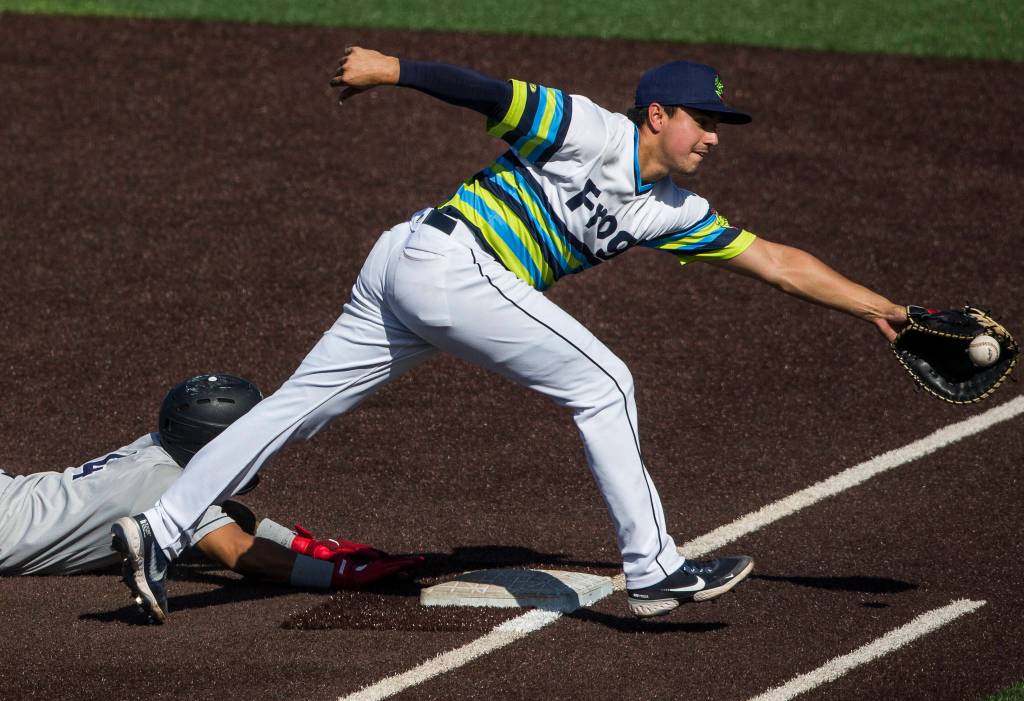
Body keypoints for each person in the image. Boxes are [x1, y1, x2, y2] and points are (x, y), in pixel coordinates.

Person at [112, 49, 908, 622]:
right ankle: (656, 569)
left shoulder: (674, 213)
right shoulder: (590, 129)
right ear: (657, 114)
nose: (714, 136)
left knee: (294, 406)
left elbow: (776, 263)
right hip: (445, 264)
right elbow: (488, 93)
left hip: (418, 265)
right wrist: (393, 71)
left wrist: (889, 309)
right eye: (703, 119)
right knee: (605, 382)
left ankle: (161, 530)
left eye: (720, 123)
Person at [0, 373, 419, 622]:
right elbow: (238, 553)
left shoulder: (155, 449)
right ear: (211, 444)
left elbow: (226, 515)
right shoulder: (166, 485)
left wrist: (299, 545)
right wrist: (341, 575)